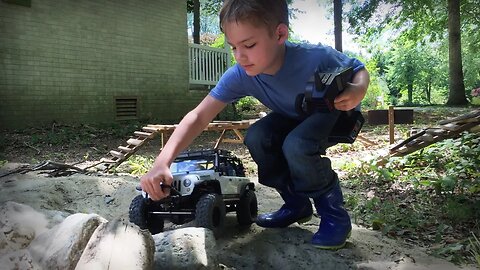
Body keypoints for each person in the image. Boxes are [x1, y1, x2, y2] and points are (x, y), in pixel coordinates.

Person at [140, 0, 370, 250]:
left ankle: (335, 216)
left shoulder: (315, 57)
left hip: (333, 112)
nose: (240, 56)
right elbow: (198, 116)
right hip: (295, 115)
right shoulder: (240, 75)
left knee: (297, 145)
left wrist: (358, 89)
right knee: (258, 136)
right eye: (233, 47)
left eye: (249, 45)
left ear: (280, 34)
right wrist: (162, 161)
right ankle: (296, 204)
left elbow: (358, 68)